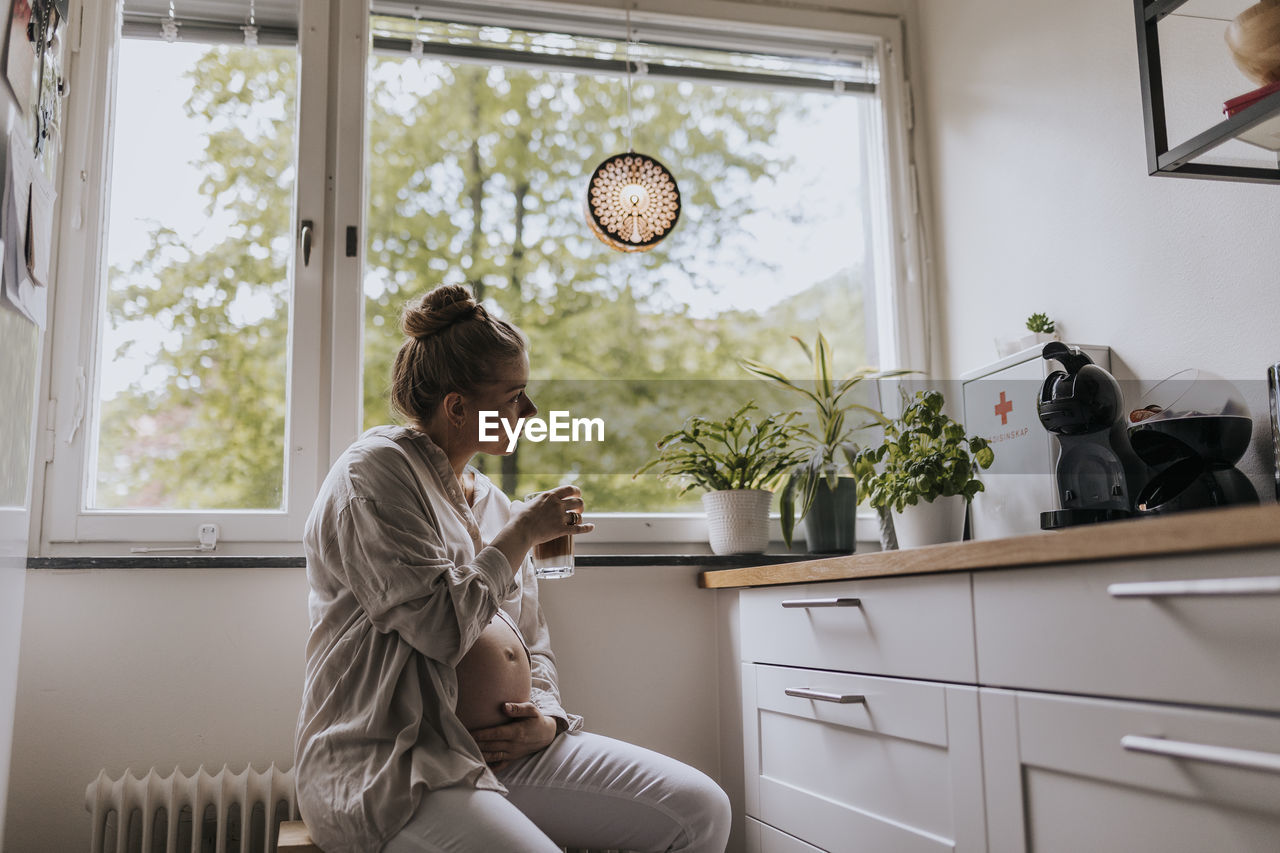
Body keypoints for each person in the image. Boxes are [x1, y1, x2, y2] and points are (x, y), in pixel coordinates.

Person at [294, 284, 732, 853]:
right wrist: (524, 533)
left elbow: (532, 639)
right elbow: (439, 629)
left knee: (698, 811)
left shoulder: (492, 502)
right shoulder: (374, 474)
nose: (529, 411)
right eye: (514, 395)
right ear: (457, 407)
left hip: (505, 753)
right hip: (396, 760)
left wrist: (545, 719)